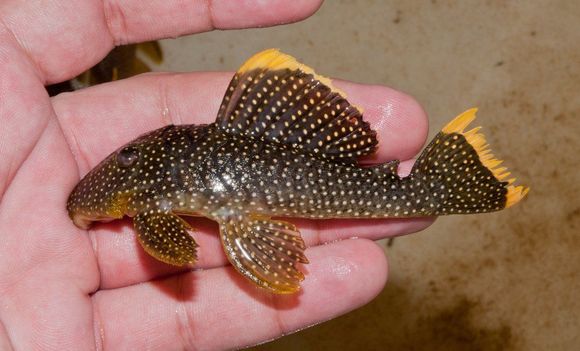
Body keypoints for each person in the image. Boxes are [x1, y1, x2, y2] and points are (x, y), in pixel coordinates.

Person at [0, 1, 432, 349]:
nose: (124, 159)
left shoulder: (143, 196)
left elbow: (179, 250)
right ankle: (440, 186)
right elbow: (179, 249)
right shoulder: (138, 190)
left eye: (128, 156)